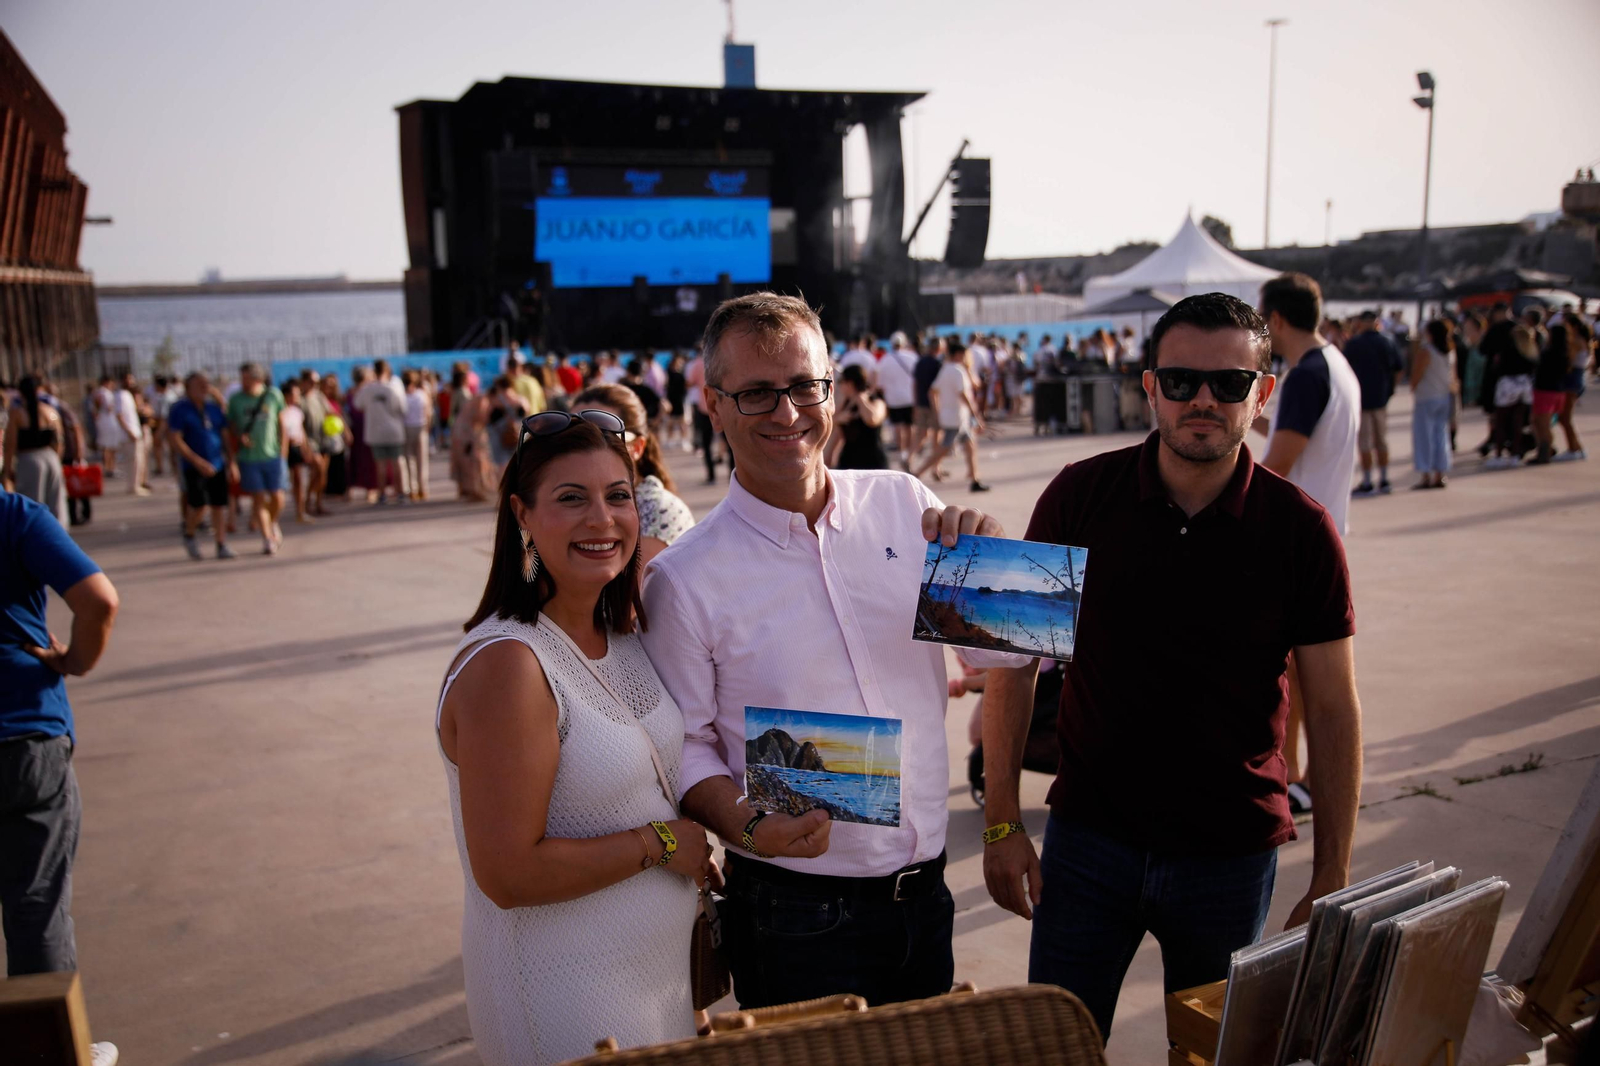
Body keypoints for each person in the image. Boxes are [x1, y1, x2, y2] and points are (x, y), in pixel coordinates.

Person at [982, 293, 1361, 1042]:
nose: (1203, 401)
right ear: (1150, 386)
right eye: (1181, 381)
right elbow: (1013, 667)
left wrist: (1332, 875)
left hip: (1230, 855)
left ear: (1264, 392)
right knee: (1058, 1052)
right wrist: (1001, 825)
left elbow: (1336, 708)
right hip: (1088, 843)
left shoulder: (1303, 532)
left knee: (1212, 1059)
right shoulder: (1077, 494)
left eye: (1229, 384)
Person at [640, 292, 1027, 1010]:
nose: (787, 414)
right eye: (757, 393)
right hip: (796, 916)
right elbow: (683, 746)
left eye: (803, 387)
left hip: (927, 895)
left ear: (832, 388)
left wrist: (993, 566)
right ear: (715, 405)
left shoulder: (905, 503)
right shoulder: (684, 579)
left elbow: (1011, 655)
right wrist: (751, 824)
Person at [435, 409, 714, 1065]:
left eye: (619, 496)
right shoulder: (510, 663)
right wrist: (663, 843)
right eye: (571, 499)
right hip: (565, 996)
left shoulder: (620, 635)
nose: (603, 519)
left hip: (656, 986)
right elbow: (508, 872)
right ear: (522, 516)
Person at [1, 491, 122, 1066]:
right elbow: (98, 601)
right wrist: (75, 661)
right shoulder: (14, 516)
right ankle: (53, 1055)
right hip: (22, 732)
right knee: (37, 909)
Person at [1256, 274, 1359, 807]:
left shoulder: (1303, 376)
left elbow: (1278, 465)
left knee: (1292, 673)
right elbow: (1293, 437)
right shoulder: (1336, 365)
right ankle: (1308, 775)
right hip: (1330, 530)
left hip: (1295, 542)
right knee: (1321, 676)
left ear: (1275, 320)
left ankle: (1294, 775)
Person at [572, 384, 694, 567]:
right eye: (571, 436)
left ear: (637, 447)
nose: (583, 448)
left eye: (603, 435)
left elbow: (636, 594)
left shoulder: (659, 510)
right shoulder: (568, 500)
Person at [168, 372, 238, 560]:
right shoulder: (180, 409)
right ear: (188, 388)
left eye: (206, 384)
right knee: (199, 505)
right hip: (194, 466)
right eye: (199, 384)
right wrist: (197, 461)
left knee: (218, 505)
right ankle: (189, 534)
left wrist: (231, 462)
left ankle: (221, 543)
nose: (204, 388)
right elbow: (176, 439)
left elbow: (225, 436)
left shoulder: (214, 409)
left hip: (217, 463)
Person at [1342, 310, 1406, 494]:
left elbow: (1345, 370)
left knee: (1365, 442)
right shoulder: (1387, 341)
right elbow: (1399, 368)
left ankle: (1368, 480)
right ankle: (1384, 479)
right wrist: (1390, 390)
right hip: (1381, 398)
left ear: (1361, 323)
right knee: (1381, 441)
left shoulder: (1354, 343)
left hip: (1361, 399)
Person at [226, 363, 287, 555]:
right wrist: (239, 437)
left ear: (258, 379)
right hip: (249, 458)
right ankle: (268, 538)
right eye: (242, 378)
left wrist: (283, 453)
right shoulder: (236, 400)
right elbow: (231, 427)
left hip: (272, 455)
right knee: (258, 499)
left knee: (278, 496)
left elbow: (281, 424)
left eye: (247, 378)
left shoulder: (273, 395)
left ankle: (272, 521)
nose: (243, 382)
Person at [914, 340, 990, 491]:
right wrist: (976, 415)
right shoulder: (957, 371)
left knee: (970, 446)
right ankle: (917, 473)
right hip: (957, 418)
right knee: (943, 450)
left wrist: (937, 411)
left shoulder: (946, 369)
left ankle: (974, 479)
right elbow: (964, 395)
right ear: (959, 354)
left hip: (954, 416)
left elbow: (932, 391)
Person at [4, 376, 68, 524]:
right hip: (51, 457)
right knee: (55, 502)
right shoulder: (50, 411)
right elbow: (59, 440)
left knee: (32, 502)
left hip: (29, 459)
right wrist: (57, 459)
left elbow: (10, 444)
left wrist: (7, 469)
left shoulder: (17, 413)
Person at [1410, 319, 1458, 489]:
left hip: (1427, 397)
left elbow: (1416, 374)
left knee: (1424, 437)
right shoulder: (1450, 350)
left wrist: (1413, 387)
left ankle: (1426, 475)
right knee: (1440, 436)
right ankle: (1440, 473)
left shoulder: (1427, 351)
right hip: (1443, 396)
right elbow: (1454, 375)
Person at [355, 359, 408, 505]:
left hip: (375, 432)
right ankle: (401, 493)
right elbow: (403, 408)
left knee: (380, 465)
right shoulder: (394, 388)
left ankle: (382, 494)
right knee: (397, 463)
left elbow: (358, 404)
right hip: (394, 431)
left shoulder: (367, 389)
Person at [1487, 325, 1538, 469]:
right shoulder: (1531, 351)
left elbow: (1498, 368)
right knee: (1518, 422)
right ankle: (1515, 454)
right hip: (1524, 385)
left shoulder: (1508, 350)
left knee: (1501, 421)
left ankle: (1498, 454)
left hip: (1507, 385)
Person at [828, 364, 891, 471]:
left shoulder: (875, 401)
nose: (840, 386)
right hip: (848, 463)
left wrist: (860, 398)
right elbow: (837, 435)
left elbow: (872, 419)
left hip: (874, 463)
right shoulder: (845, 404)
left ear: (850, 383)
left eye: (841, 382)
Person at [876, 332, 920, 469]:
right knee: (910, 426)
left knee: (898, 426)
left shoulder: (885, 360)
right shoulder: (912, 357)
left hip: (893, 398)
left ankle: (902, 452)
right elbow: (917, 380)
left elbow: (880, 385)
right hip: (910, 397)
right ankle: (909, 455)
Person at [450, 369, 490, 502]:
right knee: (471, 461)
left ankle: (467, 489)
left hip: (460, 430)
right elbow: (478, 417)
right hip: (466, 432)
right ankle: (474, 489)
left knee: (464, 461)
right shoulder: (467, 395)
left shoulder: (457, 393)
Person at [280, 380, 316, 523]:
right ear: (287, 395)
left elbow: (301, 431)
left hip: (296, 448)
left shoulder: (297, 411)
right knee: (281, 483)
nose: (298, 396)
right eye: (295, 394)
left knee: (299, 479)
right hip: (284, 448)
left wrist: (306, 448)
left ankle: (300, 511)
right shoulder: (280, 410)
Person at [1555, 315, 1590, 461]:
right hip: (1576, 379)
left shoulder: (1576, 341)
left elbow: (1568, 361)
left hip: (1572, 380)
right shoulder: (1583, 340)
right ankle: (1576, 447)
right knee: (1564, 418)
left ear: (1574, 326)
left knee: (1565, 418)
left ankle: (1574, 448)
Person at [684, 350, 720, 485]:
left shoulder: (697, 364)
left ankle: (711, 475)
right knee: (729, 445)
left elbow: (689, 382)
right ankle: (732, 473)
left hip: (704, 408)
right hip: (723, 407)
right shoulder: (719, 360)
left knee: (707, 443)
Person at [402, 369, 432, 500]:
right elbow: (428, 412)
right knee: (421, 460)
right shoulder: (422, 394)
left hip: (407, 428)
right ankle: (422, 488)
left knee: (409, 460)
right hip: (421, 427)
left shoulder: (402, 395)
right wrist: (428, 426)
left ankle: (412, 489)